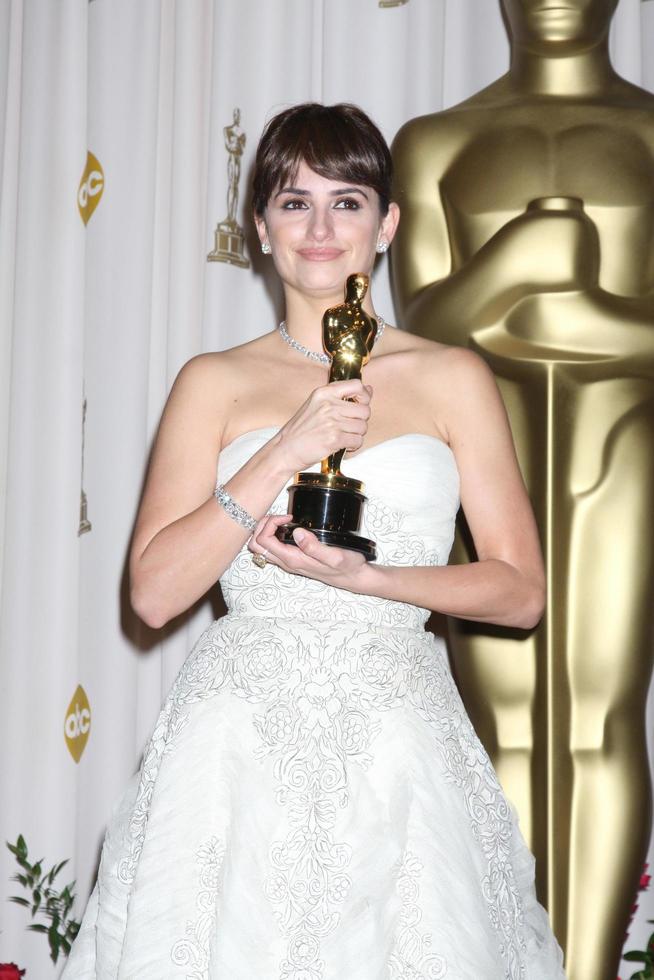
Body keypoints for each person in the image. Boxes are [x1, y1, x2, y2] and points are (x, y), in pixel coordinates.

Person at [62, 102, 565, 979]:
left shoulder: (451, 376)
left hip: (400, 736)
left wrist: (373, 582)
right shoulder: (213, 382)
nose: (321, 227)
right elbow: (152, 594)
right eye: (294, 203)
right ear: (260, 228)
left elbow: (520, 591)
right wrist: (287, 448)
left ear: (388, 224)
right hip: (237, 743)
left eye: (348, 200)